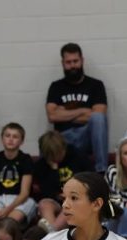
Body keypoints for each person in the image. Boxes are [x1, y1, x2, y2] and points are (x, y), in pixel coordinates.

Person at [44, 43, 108, 171]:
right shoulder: (56, 87)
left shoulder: (96, 85)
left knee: (98, 119)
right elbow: (52, 116)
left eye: (75, 61)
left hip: (87, 137)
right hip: (63, 139)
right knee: (47, 141)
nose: (73, 65)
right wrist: (83, 110)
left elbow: (98, 115)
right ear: (63, 63)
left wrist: (63, 113)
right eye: (68, 62)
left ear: (82, 60)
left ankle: (102, 170)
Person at [0, 122, 36, 227]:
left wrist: (6, 210)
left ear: (22, 141)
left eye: (15, 136)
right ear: (2, 138)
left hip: (19, 200)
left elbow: (25, 193)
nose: (11, 139)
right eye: (7, 136)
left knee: (8, 225)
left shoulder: (26, 159)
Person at [33, 130, 84, 231]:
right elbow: (46, 191)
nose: (57, 157)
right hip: (56, 201)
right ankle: (53, 234)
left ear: (64, 148)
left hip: (76, 200)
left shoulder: (76, 155)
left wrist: (70, 194)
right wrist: (53, 169)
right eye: (52, 156)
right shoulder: (41, 165)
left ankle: (51, 235)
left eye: (59, 153)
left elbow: (89, 180)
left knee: (70, 203)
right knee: (44, 204)